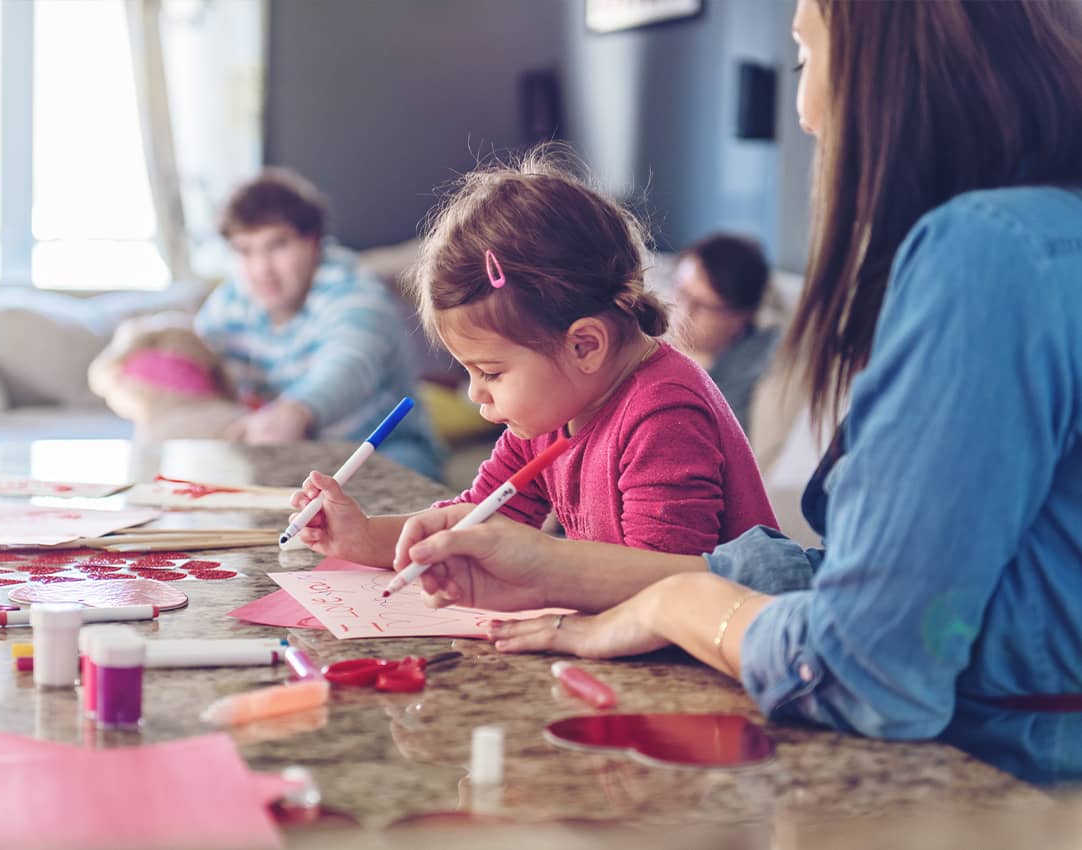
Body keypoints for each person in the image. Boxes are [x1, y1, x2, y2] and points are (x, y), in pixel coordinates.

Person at [390, 0, 1082, 785]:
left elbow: (867, 668)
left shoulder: (988, 257)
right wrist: (556, 571)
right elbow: (858, 586)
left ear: (892, 69)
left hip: (1002, 783)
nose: (807, 112)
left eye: (804, 60)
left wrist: (671, 607)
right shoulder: (1046, 240)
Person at [289, 150, 777, 567]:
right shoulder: (555, 407)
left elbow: (665, 583)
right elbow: (479, 519)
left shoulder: (664, 414)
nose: (476, 393)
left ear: (585, 345)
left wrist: (542, 584)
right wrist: (361, 536)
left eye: (491, 372)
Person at [194, 168, 444, 480]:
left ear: (312, 242)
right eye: (245, 251)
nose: (262, 269)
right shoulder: (228, 304)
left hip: (385, 450)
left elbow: (349, 365)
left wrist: (297, 411)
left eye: (277, 245)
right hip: (293, 461)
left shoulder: (355, 292)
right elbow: (195, 358)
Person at [672, 234, 779, 432]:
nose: (683, 311)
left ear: (740, 316)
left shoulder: (751, 363)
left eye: (702, 305)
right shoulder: (646, 343)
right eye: (681, 292)